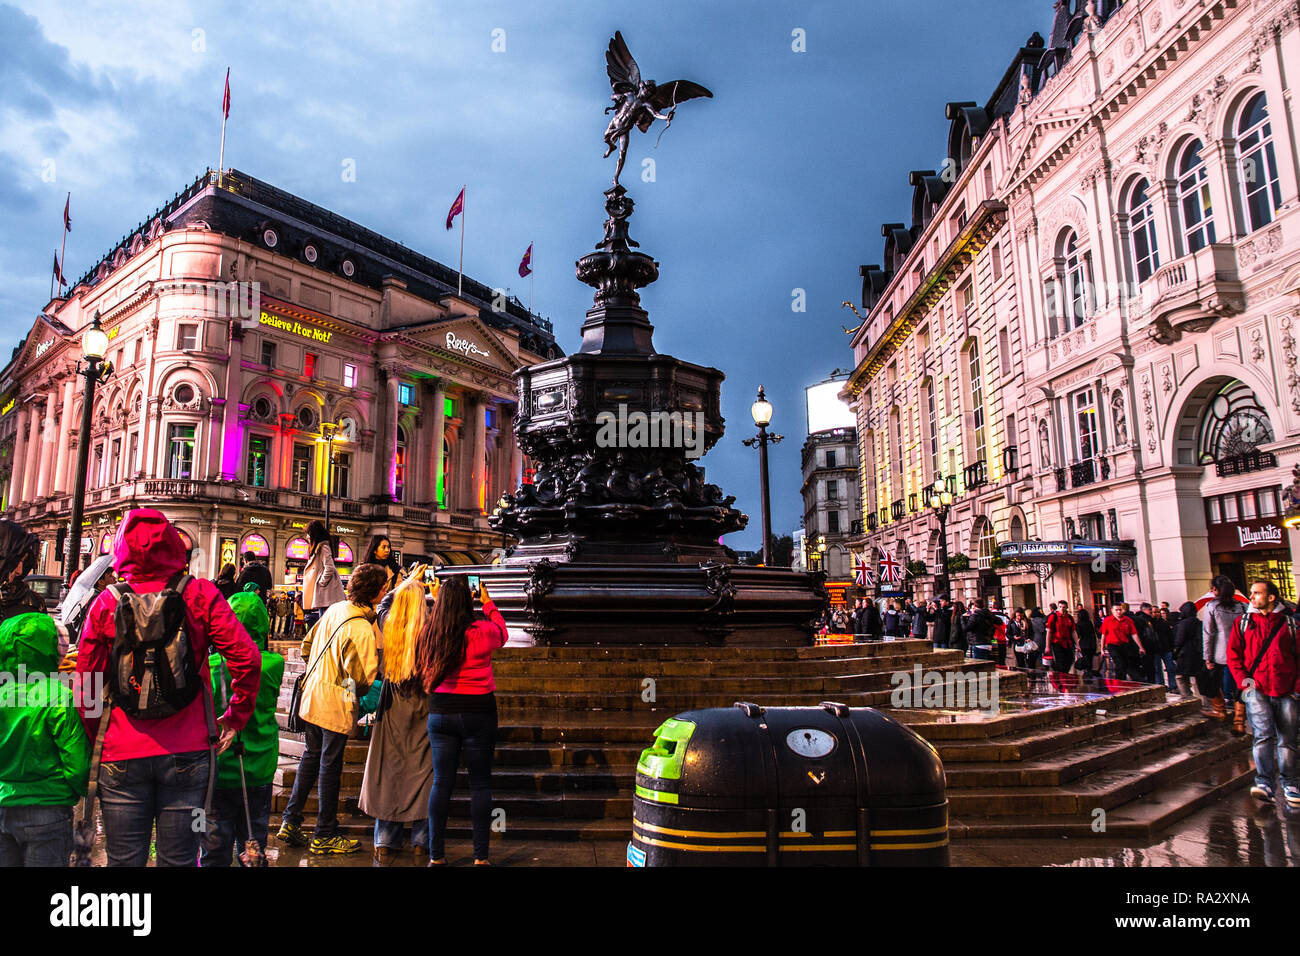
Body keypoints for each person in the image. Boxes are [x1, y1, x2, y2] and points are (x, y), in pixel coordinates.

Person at [74, 509, 259, 867]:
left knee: (123, 861)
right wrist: (235, 717)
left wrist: (100, 733)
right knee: (182, 860)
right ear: (176, 547)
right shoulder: (201, 594)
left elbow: (86, 684)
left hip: (120, 756)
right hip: (190, 754)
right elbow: (247, 658)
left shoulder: (107, 602)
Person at [278, 564, 387, 855]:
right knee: (329, 766)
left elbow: (305, 646)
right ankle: (325, 833)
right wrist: (349, 689)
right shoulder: (361, 629)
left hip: (312, 695)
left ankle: (291, 820)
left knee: (311, 758)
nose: (387, 590)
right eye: (384, 586)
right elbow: (362, 680)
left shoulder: (337, 609)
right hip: (335, 704)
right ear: (376, 591)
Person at [0, 519, 90, 868]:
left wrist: (59, 663)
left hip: (28, 695)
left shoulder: (31, 600)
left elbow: (44, 647)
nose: (28, 564)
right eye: (23, 557)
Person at [416, 576, 508, 866]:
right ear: (470, 601)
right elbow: (503, 633)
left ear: (441, 603)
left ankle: (437, 856)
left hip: (441, 713)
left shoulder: (430, 632)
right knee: (480, 784)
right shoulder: (482, 631)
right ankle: (480, 858)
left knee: (441, 783)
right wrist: (487, 602)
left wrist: (434, 599)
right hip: (479, 712)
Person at [200, 589, 284, 867]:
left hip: (218, 771)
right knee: (254, 848)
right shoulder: (274, 664)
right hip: (259, 770)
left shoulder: (209, 666)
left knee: (213, 850)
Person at [361, 568, 435, 864]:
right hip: (425, 703)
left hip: (392, 704)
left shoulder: (387, 624)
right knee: (424, 773)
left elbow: (382, 604)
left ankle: (385, 839)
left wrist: (404, 583)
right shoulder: (431, 631)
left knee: (389, 772)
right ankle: (421, 840)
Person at [1227, 579, 1300, 807]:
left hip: (1286, 689)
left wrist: (1297, 687)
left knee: (1287, 739)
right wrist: (1244, 683)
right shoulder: (1243, 622)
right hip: (1256, 689)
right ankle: (1265, 783)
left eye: (1257, 593)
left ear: (1271, 597)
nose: (1252, 597)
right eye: (1251, 593)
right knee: (1262, 736)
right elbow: (1234, 655)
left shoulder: (1290, 624)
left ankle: (1290, 782)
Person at [1204, 575, 1248, 733]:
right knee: (1240, 686)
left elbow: (1208, 633)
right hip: (1241, 651)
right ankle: (1239, 721)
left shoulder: (1212, 606)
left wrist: (1207, 657)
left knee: (1212, 683)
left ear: (1215, 589)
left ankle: (1220, 711)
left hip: (1220, 652)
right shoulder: (1242, 606)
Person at [302, 520, 344, 632]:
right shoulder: (318, 548)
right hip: (323, 593)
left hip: (326, 592)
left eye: (308, 533)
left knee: (325, 622)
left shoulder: (323, 547)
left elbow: (329, 567)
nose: (307, 536)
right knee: (323, 621)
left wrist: (321, 582)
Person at [1172, 601, 1208, 703]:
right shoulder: (1199, 623)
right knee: (1198, 678)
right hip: (1197, 653)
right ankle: (1203, 699)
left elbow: (1179, 640)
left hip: (1185, 654)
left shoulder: (1183, 623)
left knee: (1181, 676)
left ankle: (1187, 697)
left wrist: (1175, 651)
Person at [1101, 602, 1142, 681]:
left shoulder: (1128, 620)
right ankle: (1119, 682)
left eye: (1120, 610)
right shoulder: (1107, 621)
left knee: (1125, 664)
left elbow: (1134, 634)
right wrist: (1102, 649)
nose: (1119, 612)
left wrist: (1141, 647)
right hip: (1112, 645)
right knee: (1120, 664)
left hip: (1124, 644)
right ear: (1112, 611)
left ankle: (1122, 681)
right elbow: (1103, 635)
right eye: (1116, 610)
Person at [1046, 601, 1076, 673]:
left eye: (1064, 607)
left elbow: (1073, 632)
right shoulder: (1053, 617)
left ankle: (1063, 675)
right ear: (1058, 607)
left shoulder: (1069, 617)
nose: (1062, 609)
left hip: (1068, 643)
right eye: (1060, 607)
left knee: (1070, 660)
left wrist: (1077, 644)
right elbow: (1049, 632)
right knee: (1060, 662)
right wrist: (1047, 646)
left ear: (1066, 608)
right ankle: (1061, 678)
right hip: (1057, 642)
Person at [1075, 606, 1098, 678]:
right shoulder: (1089, 622)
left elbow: (1078, 635)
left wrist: (1077, 644)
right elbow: (1093, 633)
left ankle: (1086, 672)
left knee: (1085, 658)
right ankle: (1089, 671)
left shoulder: (1079, 624)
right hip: (1091, 643)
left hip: (1084, 643)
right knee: (1090, 659)